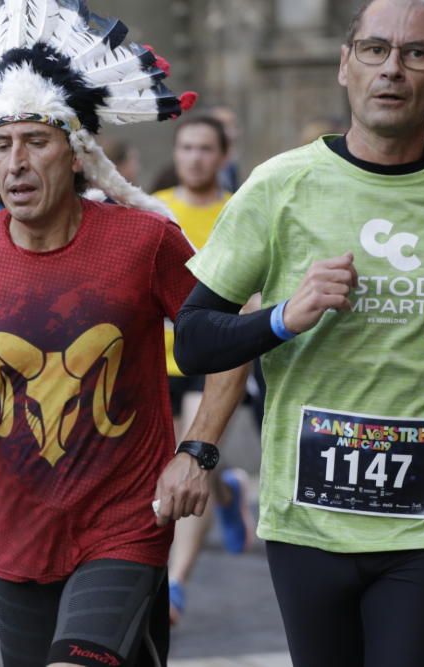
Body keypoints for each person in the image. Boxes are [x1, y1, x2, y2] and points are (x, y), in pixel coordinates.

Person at [0, 2, 246, 664]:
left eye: (36, 140)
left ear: (77, 153)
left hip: (126, 522)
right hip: (18, 534)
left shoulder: (144, 241)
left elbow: (226, 348)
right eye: (0, 143)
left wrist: (197, 452)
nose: (16, 161)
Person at [174, 2, 424, 665]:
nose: (392, 70)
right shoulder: (279, 187)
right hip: (309, 515)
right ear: (345, 63)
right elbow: (193, 339)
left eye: (416, 54)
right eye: (375, 50)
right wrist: (279, 318)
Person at [153, 113, 254, 624]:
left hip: (211, 357)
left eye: (204, 148)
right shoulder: (153, 210)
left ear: (221, 156)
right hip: (157, 361)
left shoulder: (239, 210)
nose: (194, 157)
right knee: (187, 461)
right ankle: (229, 490)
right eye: (186, 147)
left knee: (189, 453)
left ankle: (175, 582)